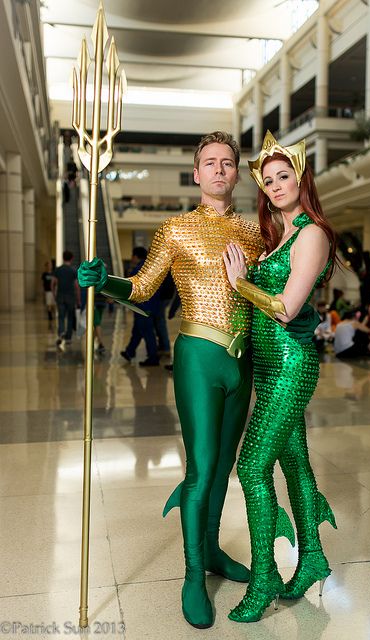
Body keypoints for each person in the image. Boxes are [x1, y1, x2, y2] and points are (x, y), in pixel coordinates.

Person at [77, 131, 263, 629]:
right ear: (197, 174)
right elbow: (142, 288)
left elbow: (270, 297)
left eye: (228, 162)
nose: (219, 170)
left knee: (224, 466)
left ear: (238, 172)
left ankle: (212, 549)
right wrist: (105, 281)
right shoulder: (175, 230)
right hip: (199, 354)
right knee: (201, 469)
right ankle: (192, 575)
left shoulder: (253, 234)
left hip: (242, 361)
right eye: (210, 163)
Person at [222, 130, 338, 623]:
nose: (275, 185)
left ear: (301, 176)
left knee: (250, 467)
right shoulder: (282, 236)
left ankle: (266, 573)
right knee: (293, 463)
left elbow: (288, 309)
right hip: (270, 368)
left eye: (283, 176)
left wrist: (239, 282)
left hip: (291, 364)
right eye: (267, 180)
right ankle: (311, 556)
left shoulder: (311, 232)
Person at [120, 247, 161, 366]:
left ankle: (153, 357)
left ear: (136, 256)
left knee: (147, 332)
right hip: (153, 305)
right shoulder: (152, 268)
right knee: (138, 330)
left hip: (142, 306)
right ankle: (129, 351)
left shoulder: (137, 270)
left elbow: (130, 288)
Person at [52, 250, 80, 350]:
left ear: (63, 258)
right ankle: (68, 337)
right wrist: (78, 300)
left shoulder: (58, 270)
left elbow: (53, 283)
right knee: (70, 317)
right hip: (70, 297)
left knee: (61, 316)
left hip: (60, 296)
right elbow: (76, 286)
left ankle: (61, 333)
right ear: (71, 258)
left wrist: (54, 294)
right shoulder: (73, 271)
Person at [41, 260, 55, 329]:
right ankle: (50, 321)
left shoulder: (54, 273)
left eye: (51, 265)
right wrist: (43, 293)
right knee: (49, 306)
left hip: (54, 292)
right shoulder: (44, 274)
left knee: (53, 307)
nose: (50, 266)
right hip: (48, 292)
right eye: (49, 265)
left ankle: (53, 319)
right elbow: (43, 284)